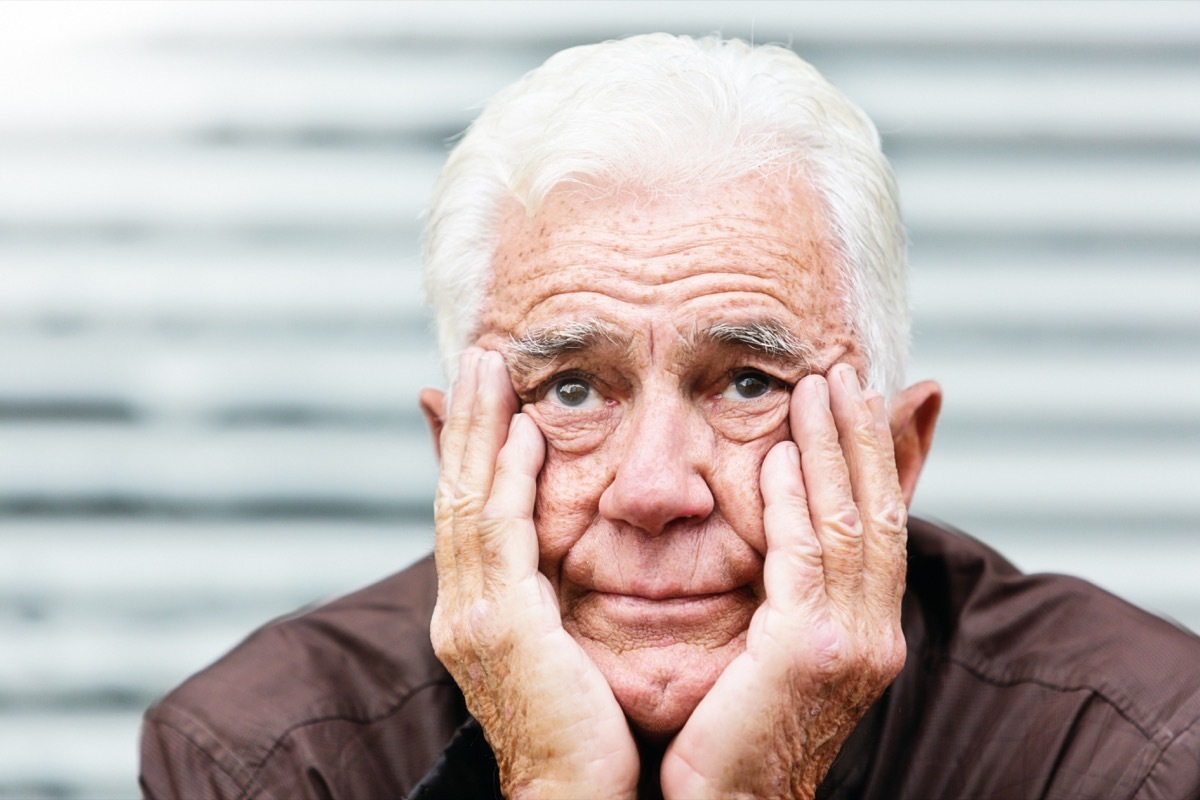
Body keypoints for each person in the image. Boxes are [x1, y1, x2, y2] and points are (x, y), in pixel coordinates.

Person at [140, 34, 1200, 799]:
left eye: (748, 381)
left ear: (896, 453)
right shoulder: (268, 758)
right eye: (571, 389)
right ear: (455, 463)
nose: (654, 488)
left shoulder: (1139, 753)